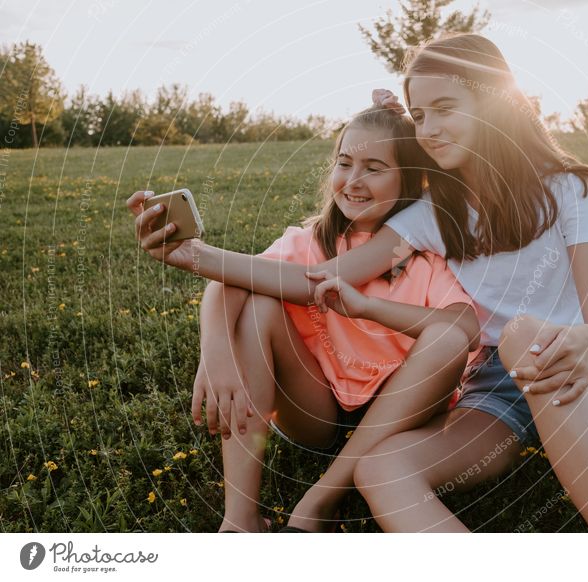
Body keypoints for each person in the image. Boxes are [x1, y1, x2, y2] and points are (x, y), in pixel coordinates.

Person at [129, 34, 588, 532]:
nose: (428, 128)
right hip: (491, 390)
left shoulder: (563, 189)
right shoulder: (433, 212)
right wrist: (193, 255)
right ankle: (317, 499)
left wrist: (584, 345)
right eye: (421, 114)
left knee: (524, 334)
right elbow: (317, 279)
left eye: (446, 109)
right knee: (380, 467)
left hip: (582, 370)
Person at [128, 105, 481, 533]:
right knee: (260, 302)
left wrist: (369, 307)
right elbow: (229, 282)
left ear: (411, 179)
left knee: (444, 339)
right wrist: (216, 353)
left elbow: (463, 327)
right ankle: (239, 520)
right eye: (344, 163)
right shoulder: (312, 240)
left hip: (400, 415)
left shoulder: (423, 253)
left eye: (374, 168)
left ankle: (325, 497)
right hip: (317, 407)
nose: (353, 181)